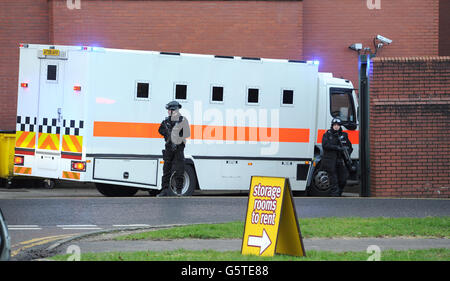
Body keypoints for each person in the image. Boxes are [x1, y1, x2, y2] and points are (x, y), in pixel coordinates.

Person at [157, 101, 191, 197]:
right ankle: (165, 190)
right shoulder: (166, 121)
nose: (168, 111)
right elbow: (160, 130)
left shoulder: (182, 120)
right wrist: (167, 134)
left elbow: (187, 133)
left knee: (179, 169)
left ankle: (179, 190)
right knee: (166, 170)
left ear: (174, 110)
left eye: (169, 110)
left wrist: (178, 137)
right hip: (168, 148)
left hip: (178, 148)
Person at [321, 118, 353, 197]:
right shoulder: (327, 135)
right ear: (332, 126)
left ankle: (338, 193)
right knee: (333, 180)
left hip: (340, 160)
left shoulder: (344, 135)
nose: (336, 127)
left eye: (338, 125)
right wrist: (337, 148)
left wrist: (346, 152)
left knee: (343, 179)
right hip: (330, 161)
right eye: (334, 125)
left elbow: (350, 147)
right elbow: (325, 146)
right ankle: (335, 197)